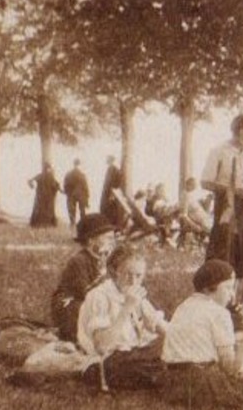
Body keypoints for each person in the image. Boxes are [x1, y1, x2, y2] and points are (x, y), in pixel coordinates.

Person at [159, 259, 243, 409]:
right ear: (208, 288)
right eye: (228, 288)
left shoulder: (184, 306)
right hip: (200, 384)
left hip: (172, 383)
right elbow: (230, 369)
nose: (232, 295)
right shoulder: (219, 313)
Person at [77, 243, 167, 390]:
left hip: (133, 356)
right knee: (160, 363)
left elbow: (163, 328)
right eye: (127, 274)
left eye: (138, 276)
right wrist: (127, 308)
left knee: (171, 350)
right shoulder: (99, 296)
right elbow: (102, 346)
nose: (133, 281)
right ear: (113, 271)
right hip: (103, 365)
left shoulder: (134, 294)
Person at [202, 115, 243, 280]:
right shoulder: (219, 151)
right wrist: (231, 191)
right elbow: (205, 182)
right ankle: (219, 282)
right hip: (227, 203)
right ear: (236, 131)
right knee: (225, 245)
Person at [50, 212, 117, 343]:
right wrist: (103, 274)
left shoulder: (104, 260)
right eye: (108, 238)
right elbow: (85, 292)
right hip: (70, 305)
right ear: (91, 240)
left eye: (113, 238)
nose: (112, 242)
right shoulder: (79, 261)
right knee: (89, 310)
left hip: (91, 300)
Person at [178, 178, 213, 246]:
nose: (195, 187)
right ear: (188, 185)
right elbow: (184, 215)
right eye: (193, 185)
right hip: (201, 222)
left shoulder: (190, 195)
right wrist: (195, 226)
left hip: (204, 219)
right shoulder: (185, 196)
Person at [28, 162, 60, 229]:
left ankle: (38, 223)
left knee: (39, 209)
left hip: (40, 196)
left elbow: (30, 181)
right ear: (48, 168)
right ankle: (47, 223)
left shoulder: (40, 175)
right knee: (48, 209)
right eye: (49, 168)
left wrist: (32, 186)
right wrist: (58, 189)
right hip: (49, 197)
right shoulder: (51, 177)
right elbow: (55, 186)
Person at [62, 159, 90, 231]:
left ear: (73, 164)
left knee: (71, 211)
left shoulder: (68, 174)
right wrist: (87, 197)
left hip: (71, 195)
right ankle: (83, 225)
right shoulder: (82, 174)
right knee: (82, 211)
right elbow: (85, 186)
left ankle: (72, 224)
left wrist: (66, 192)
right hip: (81, 195)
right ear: (79, 164)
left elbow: (65, 184)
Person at [100, 155, 127, 229]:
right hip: (109, 193)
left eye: (108, 160)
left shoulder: (113, 169)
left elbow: (114, 183)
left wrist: (112, 195)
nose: (107, 162)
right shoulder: (112, 169)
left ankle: (113, 226)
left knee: (110, 210)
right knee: (108, 210)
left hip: (111, 194)